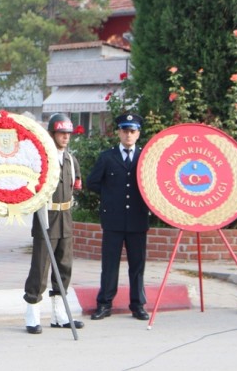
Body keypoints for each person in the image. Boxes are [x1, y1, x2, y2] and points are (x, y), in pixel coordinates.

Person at [23, 114, 84, 334]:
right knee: (40, 267)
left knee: (64, 266)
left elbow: (76, 186)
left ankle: (59, 314)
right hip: (46, 217)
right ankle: (32, 314)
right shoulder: (41, 160)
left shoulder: (70, 159)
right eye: (61, 133)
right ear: (51, 134)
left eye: (68, 134)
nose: (66, 137)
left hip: (65, 216)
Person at [86, 113, 151, 321]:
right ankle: (104, 304)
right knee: (110, 265)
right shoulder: (107, 157)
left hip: (137, 219)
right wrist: (109, 196)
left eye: (132, 131)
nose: (128, 134)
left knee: (137, 265)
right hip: (113, 220)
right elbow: (92, 182)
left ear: (138, 133)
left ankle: (138, 305)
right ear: (119, 133)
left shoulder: (146, 157)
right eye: (125, 130)